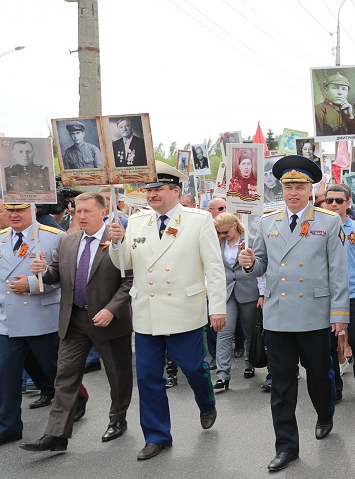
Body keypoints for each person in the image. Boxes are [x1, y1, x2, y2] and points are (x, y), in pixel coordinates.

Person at [108, 161, 226, 461]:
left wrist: (218, 307)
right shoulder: (136, 222)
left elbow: (214, 268)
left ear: (176, 190)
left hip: (184, 309)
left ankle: (206, 400)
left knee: (193, 367)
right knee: (148, 378)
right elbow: (125, 264)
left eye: (158, 189)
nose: (151, 195)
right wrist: (116, 242)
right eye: (148, 190)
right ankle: (157, 436)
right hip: (148, 310)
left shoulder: (198, 221)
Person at [237, 155, 349, 472]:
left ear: (311, 189)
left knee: (319, 375)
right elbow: (259, 265)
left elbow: (338, 272)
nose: (294, 193)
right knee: (283, 384)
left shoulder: (328, 222)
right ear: (282, 189)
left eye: (300, 186)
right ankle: (286, 446)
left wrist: (339, 314)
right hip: (279, 314)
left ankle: (325, 412)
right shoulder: (266, 223)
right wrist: (248, 262)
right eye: (288, 187)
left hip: (314, 313)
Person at [20, 193, 134, 452]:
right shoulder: (68, 242)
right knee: (65, 376)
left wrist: (112, 310)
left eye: (87, 211)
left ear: (103, 212)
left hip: (108, 321)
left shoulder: (117, 240)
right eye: (77, 211)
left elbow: (130, 280)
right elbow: (54, 275)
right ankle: (57, 433)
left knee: (118, 375)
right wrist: (42, 271)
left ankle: (118, 419)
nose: (80, 216)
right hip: (74, 320)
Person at [0, 203, 64, 447]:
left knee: (55, 371)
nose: (14, 215)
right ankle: (8, 427)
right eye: (9, 210)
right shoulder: (2, 238)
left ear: (34, 210)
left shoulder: (53, 237)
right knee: (6, 375)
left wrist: (34, 284)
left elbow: (66, 277)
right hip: (7, 321)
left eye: (21, 210)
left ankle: (76, 402)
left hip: (40, 318)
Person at [324, 184, 355, 399]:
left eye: (339, 201)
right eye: (330, 200)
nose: (334, 204)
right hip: (325, 293)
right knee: (330, 343)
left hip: (354, 290)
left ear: (348, 202)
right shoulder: (316, 228)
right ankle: (336, 383)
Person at [212, 213, 261, 392]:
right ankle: (222, 375)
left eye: (225, 231)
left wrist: (262, 293)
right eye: (220, 232)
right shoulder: (217, 242)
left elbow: (260, 268)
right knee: (224, 331)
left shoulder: (251, 240)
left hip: (248, 290)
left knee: (249, 331)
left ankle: (249, 363)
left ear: (235, 225)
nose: (223, 235)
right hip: (226, 291)